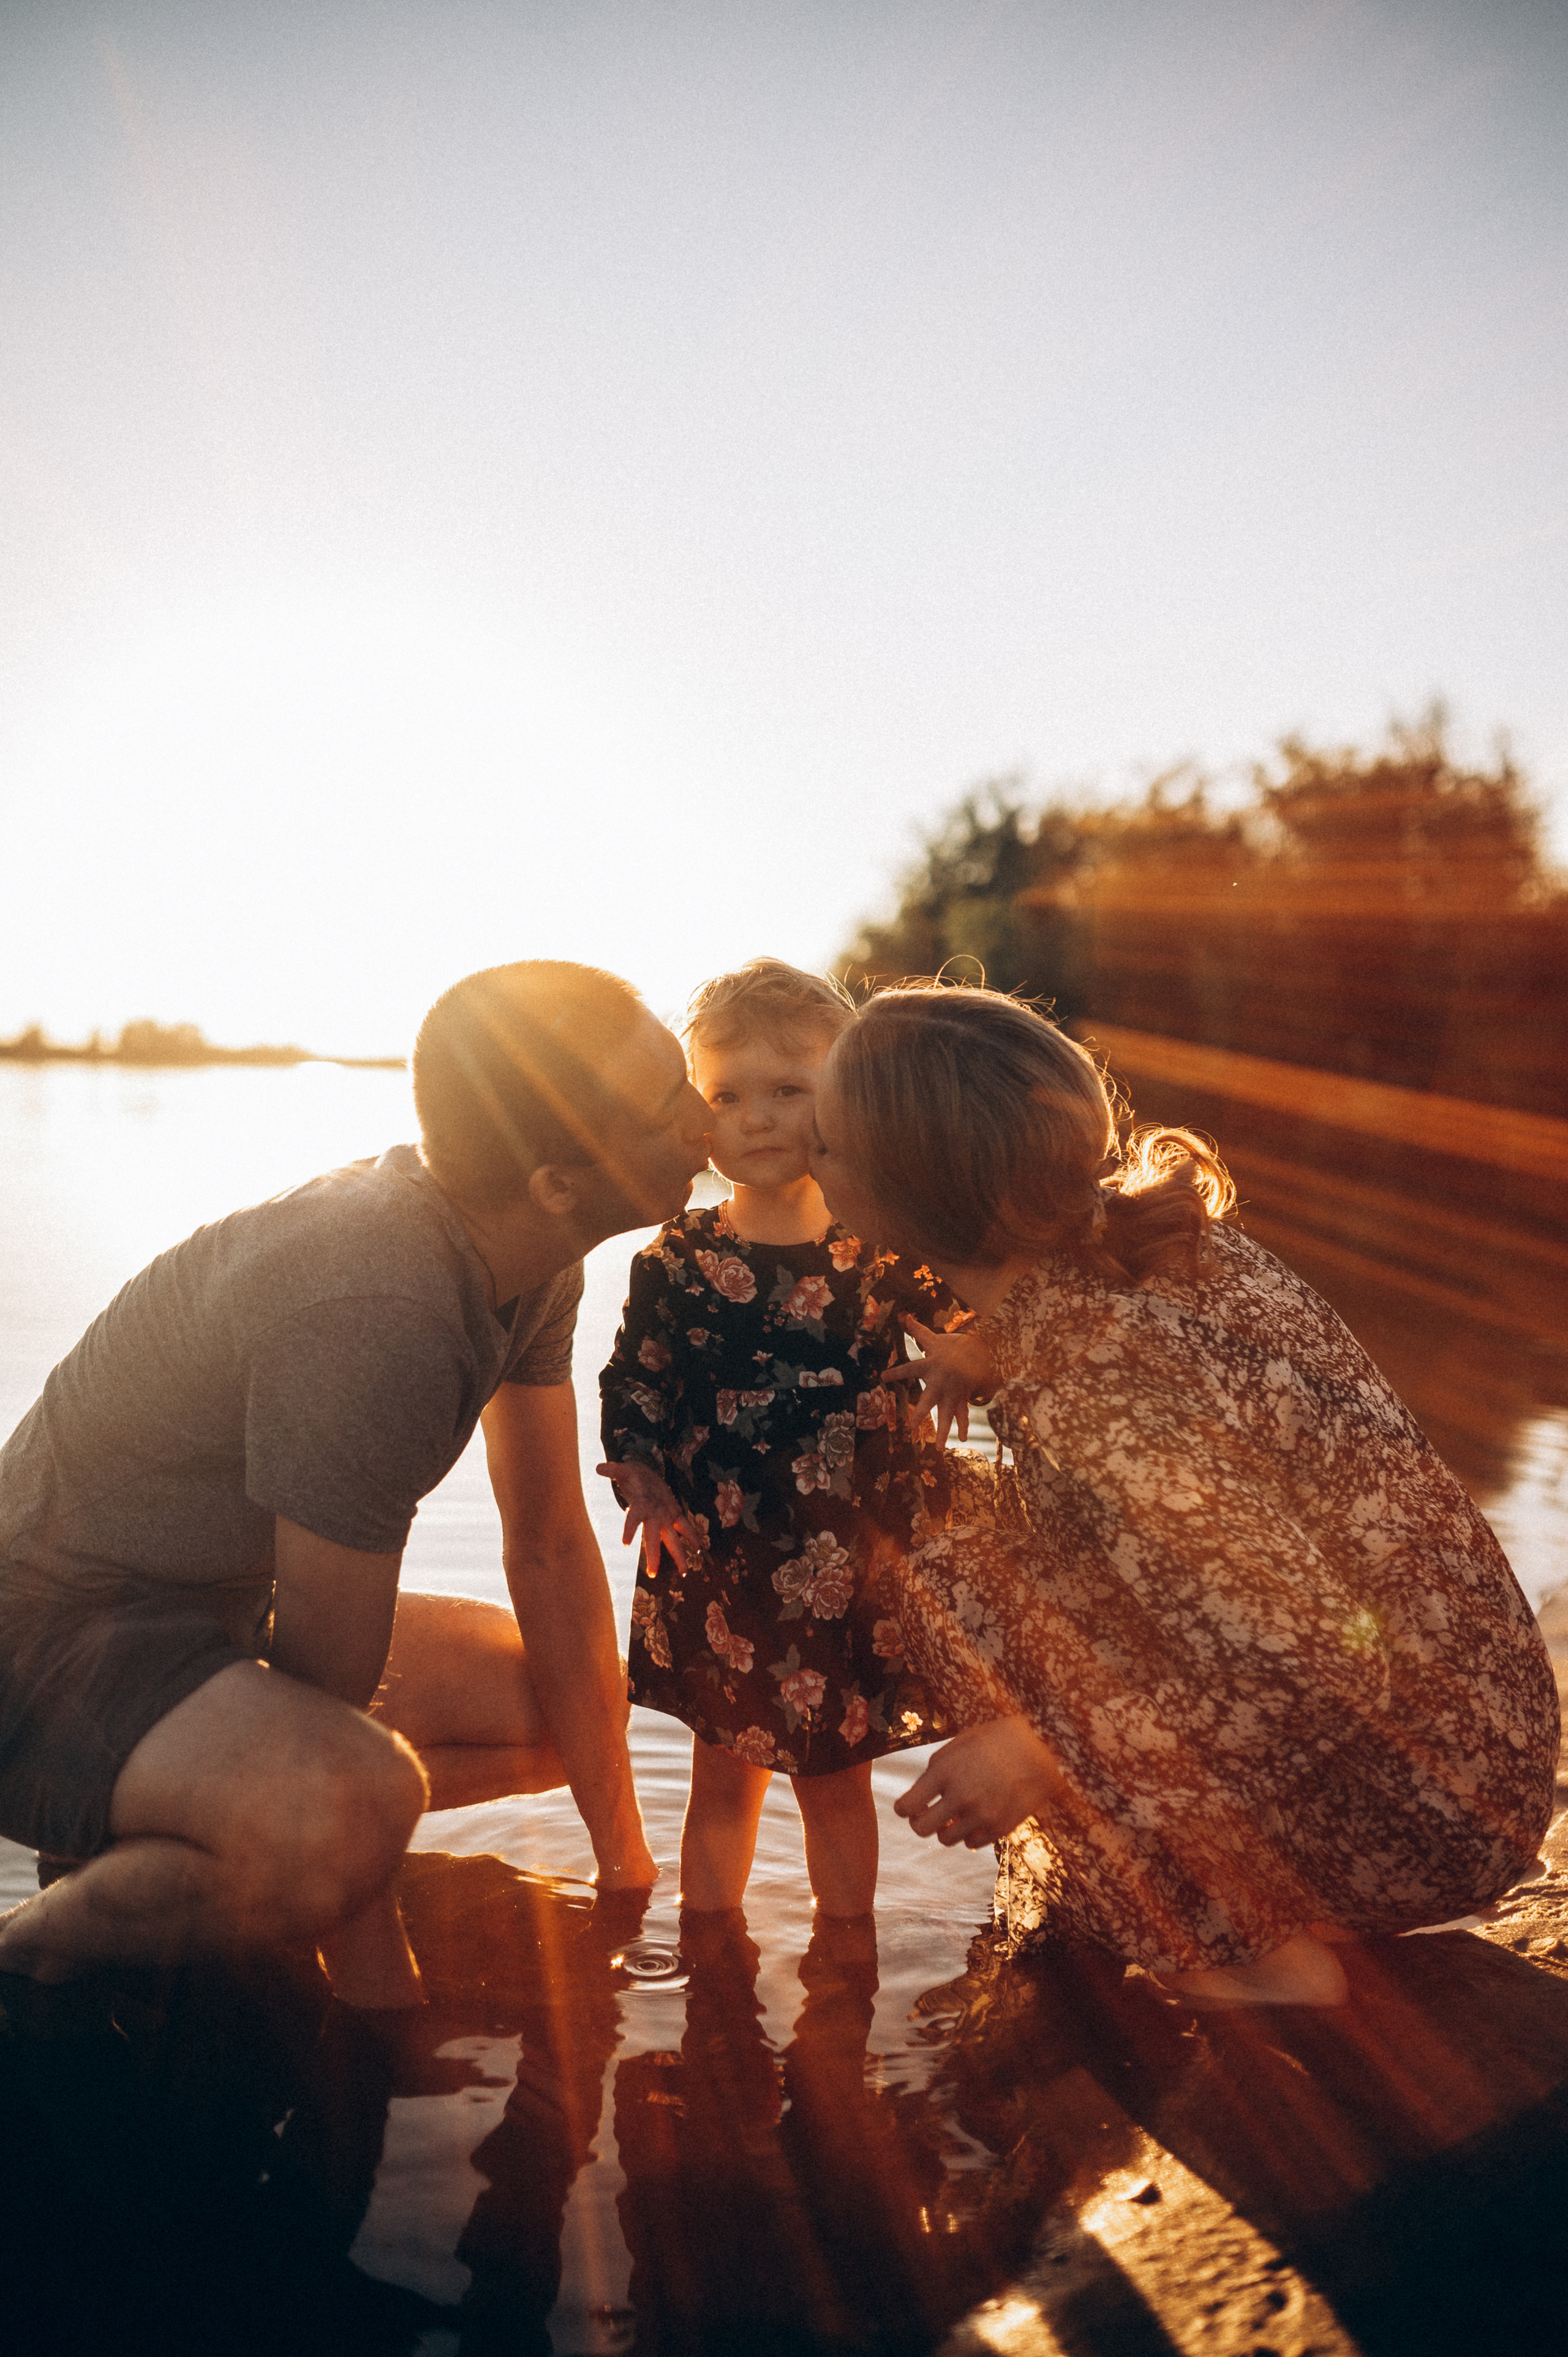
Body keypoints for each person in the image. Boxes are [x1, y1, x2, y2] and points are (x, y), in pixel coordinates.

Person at [809, 981, 1559, 2008]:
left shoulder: (1099, 1382)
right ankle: (1201, 1881)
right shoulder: (1150, 1249)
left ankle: (1253, 1952)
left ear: (917, 1194)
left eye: (831, 1142)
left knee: (936, 1562)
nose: (809, 1151)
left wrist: (1037, 1750)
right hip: (1476, 1743)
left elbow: (1296, 1656)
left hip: (1420, 1805)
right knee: (972, 1512)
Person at [0, 960, 713, 2005]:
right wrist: (393, 2026)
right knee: (355, 1800)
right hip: (44, 1646)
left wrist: (627, 1884)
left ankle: (182, 1838)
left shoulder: (533, 1255)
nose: (705, 1120)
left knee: (572, 1708)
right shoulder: (378, 1309)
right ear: (558, 1182)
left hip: (214, 1617)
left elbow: (552, 1542)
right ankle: (32, 1949)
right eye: (670, 1104)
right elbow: (325, 1710)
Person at [598, 959, 966, 1917]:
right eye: (726, 1094)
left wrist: (970, 1363)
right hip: (721, 1562)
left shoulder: (881, 1243)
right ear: (696, 1109)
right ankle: (712, 1956)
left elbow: (966, 1327)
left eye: (788, 1091)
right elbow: (634, 1379)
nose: (754, 1117)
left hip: (850, 1566)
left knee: (833, 1781)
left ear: (840, 1102)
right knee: (723, 1777)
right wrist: (638, 1474)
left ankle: (848, 1961)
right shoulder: (677, 1257)